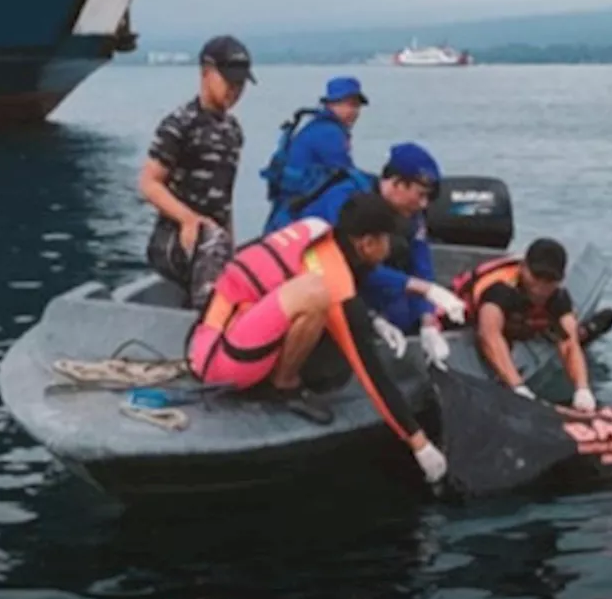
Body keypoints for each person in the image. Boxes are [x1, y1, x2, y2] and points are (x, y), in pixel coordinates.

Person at [186, 192, 452, 484]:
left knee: (315, 298)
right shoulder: (331, 279)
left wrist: (374, 320)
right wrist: (420, 444)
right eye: (386, 239)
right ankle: (283, 385)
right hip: (222, 361)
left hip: (208, 336)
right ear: (366, 243)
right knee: (315, 293)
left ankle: (273, 377)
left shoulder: (318, 231)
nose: (390, 248)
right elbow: (372, 375)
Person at [265, 142, 461, 369]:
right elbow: (343, 264)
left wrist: (428, 321)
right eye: (420, 195)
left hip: (362, 276)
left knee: (406, 315)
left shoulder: (411, 214)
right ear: (397, 184)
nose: (423, 204)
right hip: (309, 273)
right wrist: (376, 314)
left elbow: (421, 263)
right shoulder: (347, 201)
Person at [139, 34, 254, 310]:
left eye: (240, 84)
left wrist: (232, 248)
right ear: (206, 73)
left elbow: (225, 201)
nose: (235, 90)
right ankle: (206, 333)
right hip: (175, 238)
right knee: (212, 245)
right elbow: (148, 183)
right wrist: (188, 220)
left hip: (213, 240)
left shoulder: (233, 131)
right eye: (229, 81)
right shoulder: (180, 124)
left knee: (249, 264)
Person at [452, 238, 612, 413]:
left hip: (527, 323)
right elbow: (489, 336)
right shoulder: (499, 290)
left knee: (571, 332)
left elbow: (569, 343)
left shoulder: (558, 297)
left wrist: (582, 389)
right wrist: (518, 387)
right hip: (494, 321)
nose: (541, 287)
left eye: (550, 280)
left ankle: (586, 331)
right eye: (537, 277)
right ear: (523, 268)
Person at [259, 76, 370, 231]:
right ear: (330, 104)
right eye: (348, 104)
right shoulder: (329, 133)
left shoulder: (315, 126)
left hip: (286, 210)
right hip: (297, 215)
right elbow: (347, 175)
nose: (354, 111)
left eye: (356, 106)